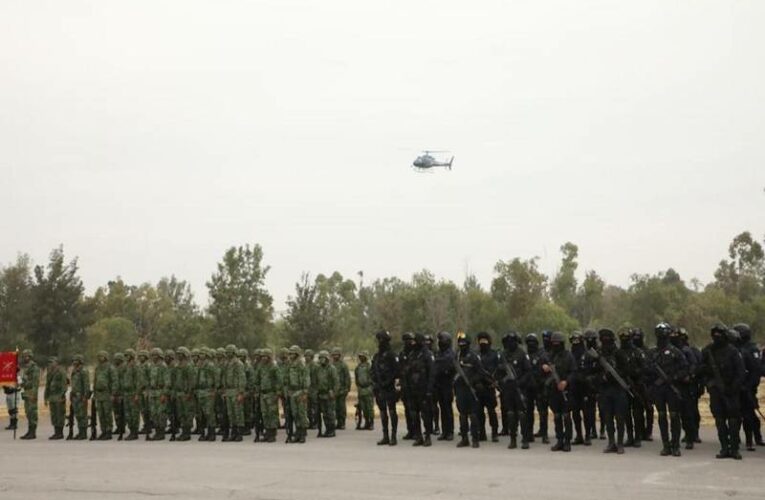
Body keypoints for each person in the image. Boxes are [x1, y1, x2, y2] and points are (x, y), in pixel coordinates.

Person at [699, 324, 746, 459]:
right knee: (719, 420)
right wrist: (708, 380)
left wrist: (733, 387)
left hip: (731, 390)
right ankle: (724, 447)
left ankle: (734, 448)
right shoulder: (708, 350)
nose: (717, 337)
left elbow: (740, 372)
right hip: (716, 391)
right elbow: (700, 369)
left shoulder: (732, 351)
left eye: (719, 334)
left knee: (733, 420)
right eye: (715, 334)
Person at [646, 322, 688, 457]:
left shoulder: (676, 352)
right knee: (662, 416)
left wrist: (674, 377)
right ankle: (666, 445)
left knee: (675, 416)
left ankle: (675, 445)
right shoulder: (652, 352)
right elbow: (646, 371)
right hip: (659, 389)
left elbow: (685, 368)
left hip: (672, 388)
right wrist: (653, 381)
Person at [590, 328, 629, 454]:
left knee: (620, 417)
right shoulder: (598, 353)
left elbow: (627, 370)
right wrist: (602, 377)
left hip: (618, 389)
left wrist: (615, 374)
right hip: (605, 389)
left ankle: (620, 443)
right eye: (603, 338)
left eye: (608, 338)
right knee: (607, 417)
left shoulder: (619, 353)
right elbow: (593, 371)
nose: (605, 341)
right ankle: (611, 443)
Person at [496, 331, 532, 449]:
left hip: (520, 388)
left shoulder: (522, 354)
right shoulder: (503, 354)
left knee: (522, 414)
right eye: (509, 341)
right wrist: (502, 380)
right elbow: (499, 372)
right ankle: (512, 439)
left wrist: (520, 382)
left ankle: (525, 439)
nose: (511, 343)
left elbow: (528, 371)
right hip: (508, 389)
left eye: (513, 341)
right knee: (510, 414)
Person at [454, 332, 489, 449]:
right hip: (460, 389)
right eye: (460, 344)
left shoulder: (474, 357)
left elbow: (481, 372)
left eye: (464, 344)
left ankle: (475, 439)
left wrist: (472, 381)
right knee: (462, 415)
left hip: (471, 389)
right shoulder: (457, 356)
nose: (462, 346)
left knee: (473, 415)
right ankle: (464, 438)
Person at [733, 323, 764, 450]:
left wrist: (749, 386)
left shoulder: (752, 349)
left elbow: (756, 370)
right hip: (738, 386)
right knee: (739, 414)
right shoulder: (735, 347)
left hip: (748, 387)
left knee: (749, 414)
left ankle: (753, 439)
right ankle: (739, 438)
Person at [542, 332, 575, 452]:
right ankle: (559, 440)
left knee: (566, 416)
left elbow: (573, 372)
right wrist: (545, 368)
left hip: (566, 390)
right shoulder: (549, 355)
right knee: (556, 416)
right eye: (553, 343)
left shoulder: (568, 356)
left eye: (558, 343)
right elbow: (542, 370)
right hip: (553, 390)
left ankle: (567, 441)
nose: (556, 345)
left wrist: (566, 382)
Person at [404, 333, 434, 446]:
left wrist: (429, 390)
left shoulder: (427, 355)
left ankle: (427, 437)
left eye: (415, 341)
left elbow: (431, 373)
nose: (413, 343)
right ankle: (418, 436)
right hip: (412, 389)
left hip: (423, 389)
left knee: (425, 414)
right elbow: (407, 371)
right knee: (414, 414)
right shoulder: (412, 354)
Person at [618, 328, 645, 448]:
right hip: (623, 385)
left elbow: (644, 368)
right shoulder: (618, 353)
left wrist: (634, 373)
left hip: (636, 385)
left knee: (637, 413)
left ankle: (638, 437)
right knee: (626, 413)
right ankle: (629, 437)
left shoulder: (637, 352)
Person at [372, 330, 399, 446]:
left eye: (381, 340)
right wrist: (376, 381)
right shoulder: (377, 356)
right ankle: (385, 436)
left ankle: (393, 436)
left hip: (389, 387)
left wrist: (388, 381)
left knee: (392, 411)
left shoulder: (392, 355)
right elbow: (372, 370)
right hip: (379, 388)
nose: (379, 342)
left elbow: (396, 371)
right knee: (383, 412)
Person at [525, 333, 549, 444]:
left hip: (540, 387)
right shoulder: (524, 356)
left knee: (542, 412)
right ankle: (529, 434)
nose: (531, 345)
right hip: (528, 388)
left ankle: (544, 434)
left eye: (533, 342)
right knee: (528, 412)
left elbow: (547, 370)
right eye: (529, 342)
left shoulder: (542, 355)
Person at [475, 332, 500, 442]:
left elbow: (498, 369)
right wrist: (476, 382)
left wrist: (495, 381)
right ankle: (482, 433)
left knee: (491, 411)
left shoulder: (495, 355)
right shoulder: (476, 355)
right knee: (479, 412)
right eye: (481, 342)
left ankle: (494, 433)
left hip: (489, 387)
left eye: (485, 342)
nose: (483, 344)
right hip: (479, 388)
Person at [632, 327, 654, 441]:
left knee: (649, 408)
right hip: (635, 384)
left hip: (647, 383)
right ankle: (639, 432)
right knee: (637, 410)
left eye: (638, 337)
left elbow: (651, 368)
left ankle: (648, 432)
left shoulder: (647, 351)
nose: (636, 339)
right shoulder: (631, 351)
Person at [433, 331, 455, 441]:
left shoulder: (450, 353)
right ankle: (444, 431)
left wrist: (439, 365)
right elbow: (436, 365)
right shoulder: (439, 353)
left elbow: (446, 365)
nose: (439, 342)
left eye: (441, 340)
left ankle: (450, 431)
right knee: (442, 408)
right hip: (439, 384)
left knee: (447, 408)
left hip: (447, 384)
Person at [285, 345, 310, 443]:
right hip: (291, 392)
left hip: (300, 391)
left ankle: (302, 434)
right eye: (290, 353)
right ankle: (297, 433)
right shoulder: (289, 364)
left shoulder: (301, 365)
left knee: (301, 413)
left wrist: (304, 392)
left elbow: (306, 379)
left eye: (292, 353)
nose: (291, 355)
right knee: (295, 414)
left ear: (297, 354)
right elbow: (286, 378)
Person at [257, 348, 281, 443]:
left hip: (271, 393)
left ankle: (272, 433)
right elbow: (257, 379)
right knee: (265, 413)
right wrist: (256, 389)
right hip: (263, 393)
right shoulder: (261, 367)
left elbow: (279, 380)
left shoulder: (274, 367)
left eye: (265, 356)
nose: (263, 358)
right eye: (262, 356)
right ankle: (267, 431)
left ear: (269, 357)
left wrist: (278, 392)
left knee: (272, 413)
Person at [222, 344, 246, 442]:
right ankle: (234, 432)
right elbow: (224, 376)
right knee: (231, 413)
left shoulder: (238, 364)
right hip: (229, 391)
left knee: (238, 412)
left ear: (234, 352)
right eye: (227, 352)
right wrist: (224, 389)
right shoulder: (226, 363)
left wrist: (241, 392)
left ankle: (239, 433)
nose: (228, 354)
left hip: (236, 390)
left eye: (229, 352)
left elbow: (242, 378)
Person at [147, 347, 170, 441]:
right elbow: (149, 379)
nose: (154, 357)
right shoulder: (151, 366)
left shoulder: (163, 366)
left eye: (155, 355)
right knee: (154, 413)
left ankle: (161, 433)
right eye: (152, 355)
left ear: (160, 356)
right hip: (153, 392)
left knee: (161, 413)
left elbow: (167, 382)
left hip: (160, 392)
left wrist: (164, 394)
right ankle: (157, 431)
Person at [92, 350, 117, 440]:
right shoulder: (98, 368)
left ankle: (109, 431)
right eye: (98, 356)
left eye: (101, 356)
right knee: (101, 414)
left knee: (107, 413)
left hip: (107, 393)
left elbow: (114, 381)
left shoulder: (110, 368)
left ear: (105, 357)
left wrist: (113, 394)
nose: (99, 358)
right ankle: (103, 431)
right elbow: (95, 381)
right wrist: (94, 393)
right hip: (99, 394)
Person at [315, 350, 338, 438]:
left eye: (323, 358)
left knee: (330, 413)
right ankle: (326, 429)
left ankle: (331, 430)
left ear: (327, 358)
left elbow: (336, 382)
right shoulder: (318, 369)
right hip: (321, 394)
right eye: (320, 358)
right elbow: (316, 381)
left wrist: (333, 391)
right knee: (324, 413)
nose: (321, 360)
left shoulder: (332, 369)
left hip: (329, 394)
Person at [196, 348, 218, 442]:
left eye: (203, 354)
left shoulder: (210, 365)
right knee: (202, 414)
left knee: (209, 413)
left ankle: (212, 433)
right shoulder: (199, 365)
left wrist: (215, 390)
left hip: (209, 391)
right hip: (200, 392)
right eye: (200, 354)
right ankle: (203, 433)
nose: (201, 356)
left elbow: (216, 378)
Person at [44, 356, 68, 440]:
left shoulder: (61, 371)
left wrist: (62, 395)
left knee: (60, 415)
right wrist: (46, 397)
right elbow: (47, 385)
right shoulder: (50, 372)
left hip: (59, 396)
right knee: (54, 415)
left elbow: (64, 384)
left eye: (52, 362)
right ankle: (56, 432)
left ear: (56, 362)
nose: (50, 364)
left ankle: (60, 433)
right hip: (52, 396)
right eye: (49, 362)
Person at [19, 349, 39, 440]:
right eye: (24, 356)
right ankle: (29, 431)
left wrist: (33, 395)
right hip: (26, 392)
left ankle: (33, 432)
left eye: (26, 356)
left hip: (31, 393)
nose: (25, 358)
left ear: (30, 357)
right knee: (28, 413)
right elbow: (25, 380)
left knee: (32, 413)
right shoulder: (26, 367)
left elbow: (35, 383)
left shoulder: (34, 368)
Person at [69, 354, 90, 440]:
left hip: (81, 396)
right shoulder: (74, 371)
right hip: (75, 396)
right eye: (74, 360)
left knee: (82, 415)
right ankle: (80, 431)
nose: (74, 362)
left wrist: (85, 396)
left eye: (76, 360)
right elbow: (73, 384)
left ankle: (83, 433)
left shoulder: (83, 371)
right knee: (77, 415)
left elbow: (86, 385)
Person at [331, 347, 351, 431]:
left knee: (341, 407)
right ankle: (337, 422)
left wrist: (347, 388)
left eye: (337, 354)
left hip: (342, 389)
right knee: (334, 407)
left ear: (339, 355)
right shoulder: (331, 365)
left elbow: (347, 377)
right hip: (334, 389)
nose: (335, 356)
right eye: (334, 354)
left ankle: (342, 423)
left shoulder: (343, 365)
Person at [122, 349, 141, 440]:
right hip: (126, 393)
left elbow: (138, 381)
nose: (126, 357)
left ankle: (135, 432)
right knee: (128, 414)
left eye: (128, 355)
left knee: (134, 413)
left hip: (133, 393)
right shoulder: (125, 366)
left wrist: (137, 394)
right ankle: (131, 430)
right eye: (125, 355)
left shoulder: (135, 366)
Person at [354, 351, 374, 430]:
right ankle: (366, 423)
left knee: (369, 408)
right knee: (363, 408)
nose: (361, 358)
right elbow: (356, 378)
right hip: (361, 390)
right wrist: (358, 385)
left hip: (368, 389)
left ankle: (371, 423)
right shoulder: (358, 367)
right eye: (360, 356)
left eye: (362, 356)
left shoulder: (369, 367)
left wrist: (369, 384)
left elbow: (372, 377)